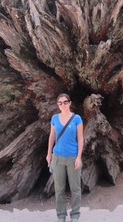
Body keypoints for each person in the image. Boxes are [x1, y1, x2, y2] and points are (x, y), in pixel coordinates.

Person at [46, 93, 84, 222]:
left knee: (75, 188)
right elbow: (51, 136)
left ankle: (75, 215)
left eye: (65, 102)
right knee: (59, 189)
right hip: (58, 157)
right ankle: (61, 216)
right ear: (58, 105)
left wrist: (79, 157)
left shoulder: (77, 118)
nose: (63, 105)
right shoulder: (54, 118)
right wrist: (49, 154)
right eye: (60, 103)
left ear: (70, 103)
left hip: (73, 157)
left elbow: (80, 138)